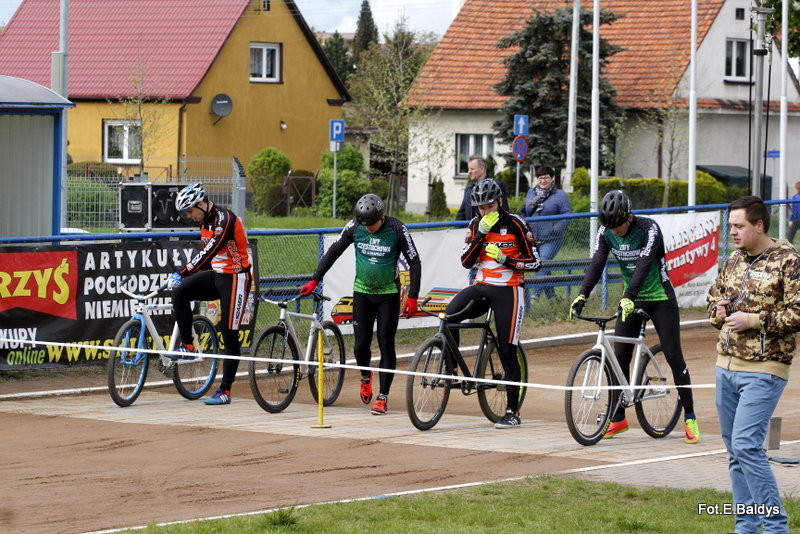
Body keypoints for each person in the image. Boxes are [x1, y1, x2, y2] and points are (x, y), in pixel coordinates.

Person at [570, 189, 700, 443]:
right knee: (619, 358)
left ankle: (690, 417)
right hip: (631, 298)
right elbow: (597, 262)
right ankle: (618, 417)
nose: (615, 231)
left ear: (629, 216)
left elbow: (643, 263)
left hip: (660, 298)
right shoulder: (606, 231)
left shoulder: (648, 228)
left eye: (618, 226)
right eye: (611, 227)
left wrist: (629, 295)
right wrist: (582, 294)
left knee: (674, 355)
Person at [708, 195, 800, 534]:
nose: (731, 232)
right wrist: (718, 311)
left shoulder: (789, 261)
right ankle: (745, 527)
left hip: (765, 369)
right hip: (725, 367)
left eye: (738, 226)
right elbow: (714, 295)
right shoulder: (733, 259)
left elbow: (797, 313)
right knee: (735, 452)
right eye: (730, 225)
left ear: (759, 225)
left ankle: (776, 528)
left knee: (747, 446)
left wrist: (754, 320)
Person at [299, 194, 421, 416]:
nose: (369, 229)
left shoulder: (396, 228)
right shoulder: (355, 226)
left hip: (388, 294)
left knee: (386, 342)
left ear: (382, 216)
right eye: (364, 225)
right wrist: (315, 278)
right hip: (363, 292)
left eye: (372, 224)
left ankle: (383, 396)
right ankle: (366, 376)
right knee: (360, 345)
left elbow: (414, 261)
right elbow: (335, 250)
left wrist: (413, 296)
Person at [447, 178, 541, 429]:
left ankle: (513, 411)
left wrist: (507, 260)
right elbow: (466, 262)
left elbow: (536, 262)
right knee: (449, 316)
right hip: (482, 285)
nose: (484, 211)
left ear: (499, 202)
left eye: (488, 206)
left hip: (510, 289)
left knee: (507, 348)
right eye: (480, 207)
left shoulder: (516, 223)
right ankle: (451, 371)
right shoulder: (476, 223)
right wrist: (479, 236)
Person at [167, 182, 253, 405]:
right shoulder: (204, 220)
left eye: (190, 210)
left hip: (236, 277)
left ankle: (225, 390)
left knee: (228, 331)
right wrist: (185, 278)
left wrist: (184, 271)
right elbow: (209, 258)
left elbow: (210, 250)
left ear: (201, 204)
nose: (189, 216)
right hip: (217, 274)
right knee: (180, 293)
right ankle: (187, 346)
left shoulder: (224, 219)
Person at [519, 166, 572, 301]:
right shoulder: (531, 193)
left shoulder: (559, 195)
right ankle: (552, 297)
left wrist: (557, 228)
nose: (543, 180)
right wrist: (524, 225)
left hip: (552, 238)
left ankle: (534, 296)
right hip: (534, 238)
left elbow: (567, 214)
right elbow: (524, 212)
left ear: (552, 178)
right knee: (545, 266)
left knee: (541, 263)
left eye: (546, 177)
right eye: (540, 178)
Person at [455, 156, 509, 221]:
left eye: (472, 169)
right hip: (472, 229)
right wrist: (457, 229)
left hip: (491, 229)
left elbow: (504, 210)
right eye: (468, 169)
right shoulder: (469, 188)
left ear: (482, 169)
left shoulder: (495, 185)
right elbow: (462, 213)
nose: (469, 172)